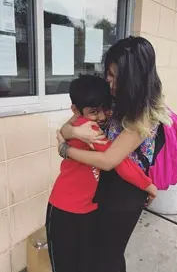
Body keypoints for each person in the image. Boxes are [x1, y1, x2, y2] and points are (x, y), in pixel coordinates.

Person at [57, 36, 172, 272]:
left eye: (113, 74)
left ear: (132, 76)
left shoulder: (144, 113)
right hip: (103, 185)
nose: (107, 80)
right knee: (96, 251)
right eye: (107, 73)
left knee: (109, 256)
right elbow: (68, 126)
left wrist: (66, 149)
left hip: (126, 192)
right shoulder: (115, 99)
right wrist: (72, 131)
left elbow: (109, 160)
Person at [46, 74, 157, 272]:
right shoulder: (90, 129)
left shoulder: (87, 122)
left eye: (104, 109)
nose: (102, 116)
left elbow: (68, 127)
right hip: (65, 209)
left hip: (87, 208)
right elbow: (118, 163)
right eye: (94, 111)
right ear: (76, 110)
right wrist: (149, 185)